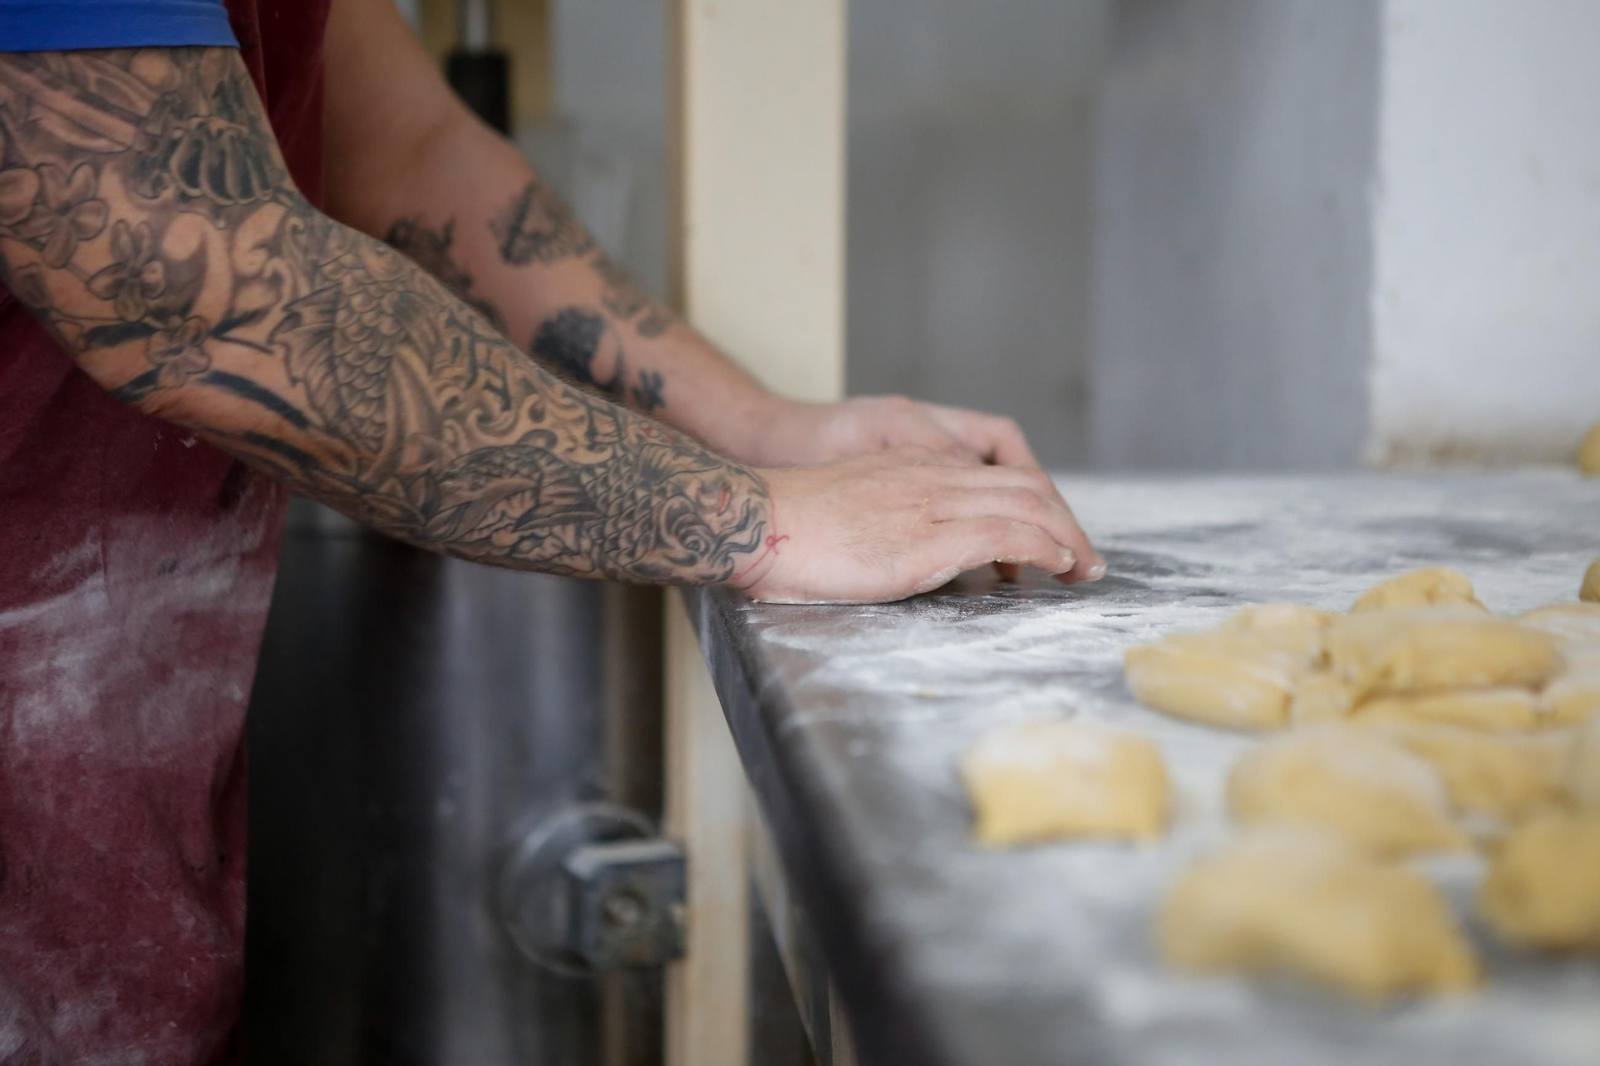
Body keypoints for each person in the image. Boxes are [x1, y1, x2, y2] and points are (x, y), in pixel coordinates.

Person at [0, 0, 1101, 1060]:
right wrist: (757, 520)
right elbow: (207, 291)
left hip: (115, 800)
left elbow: (412, 152)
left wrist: (765, 428)